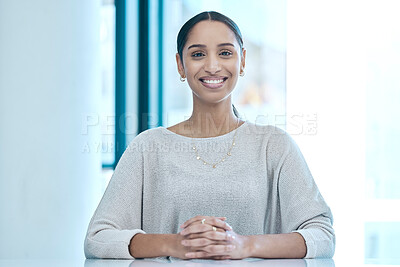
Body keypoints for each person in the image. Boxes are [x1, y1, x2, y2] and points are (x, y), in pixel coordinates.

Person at [84, 11, 335, 260]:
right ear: (181, 65)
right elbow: (98, 238)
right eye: (197, 54)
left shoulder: (274, 145)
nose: (213, 66)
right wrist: (173, 244)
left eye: (225, 53)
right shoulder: (148, 147)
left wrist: (243, 245)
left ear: (243, 61)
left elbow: (322, 235)